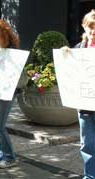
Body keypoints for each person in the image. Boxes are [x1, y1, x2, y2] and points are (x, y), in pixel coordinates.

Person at [62, 9, 95, 179]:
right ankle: (90, 176)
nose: (93, 30)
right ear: (84, 27)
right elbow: (71, 74)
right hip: (85, 106)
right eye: (91, 26)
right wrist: (66, 56)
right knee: (87, 144)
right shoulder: (78, 49)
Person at [0, 19, 20, 168]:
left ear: (4, 33)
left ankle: (10, 158)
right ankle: (2, 156)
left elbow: (16, 73)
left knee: (0, 125)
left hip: (7, 91)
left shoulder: (13, 53)